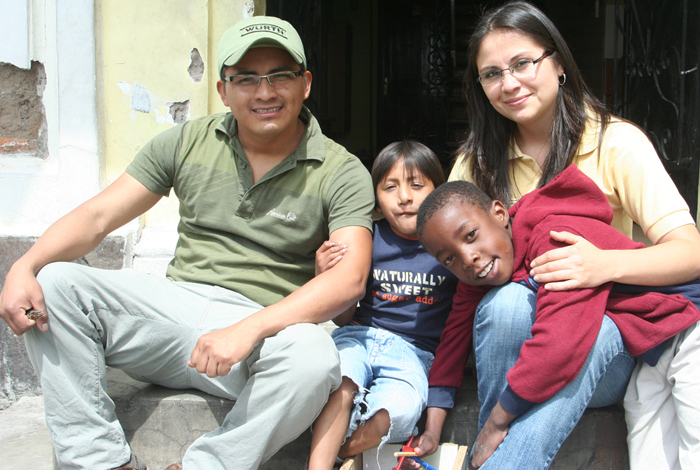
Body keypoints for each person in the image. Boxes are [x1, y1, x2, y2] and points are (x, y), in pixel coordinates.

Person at [0, 16, 375, 470]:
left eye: (280, 75)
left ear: (306, 83)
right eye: (247, 79)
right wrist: (25, 265)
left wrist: (249, 329)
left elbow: (350, 279)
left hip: (263, 331)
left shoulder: (340, 169)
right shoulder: (187, 141)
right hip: (171, 311)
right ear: (222, 90)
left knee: (315, 358)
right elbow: (99, 215)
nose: (265, 93)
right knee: (55, 283)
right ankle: (100, 461)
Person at [408, 1, 700, 469]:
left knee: (597, 323)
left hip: (606, 348)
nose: (509, 83)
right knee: (503, 306)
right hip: (516, 340)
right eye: (491, 74)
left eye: (522, 63)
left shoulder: (615, 143)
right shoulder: (476, 163)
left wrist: (605, 265)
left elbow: (691, 253)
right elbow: (460, 284)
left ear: (558, 63)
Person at [415, 166, 700, 470]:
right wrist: (432, 430)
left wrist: (500, 419)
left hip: (667, 337)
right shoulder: (481, 270)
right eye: (449, 259)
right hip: (636, 356)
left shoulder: (555, 235)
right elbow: (451, 347)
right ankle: (493, 458)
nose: (467, 258)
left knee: (594, 330)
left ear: (499, 214)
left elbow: (561, 344)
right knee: (505, 304)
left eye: (471, 235)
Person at [307, 141, 458, 470]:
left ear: (438, 190)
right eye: (390, 187)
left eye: (417, 185)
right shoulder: (368, 238)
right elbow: (344, 315)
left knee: (398, 411)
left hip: (414, 354)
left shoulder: (450, 247)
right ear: (375, 195)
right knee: (341, 382)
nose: (404, 197)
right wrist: (325, 276)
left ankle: (345, 450)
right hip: (358, 337)